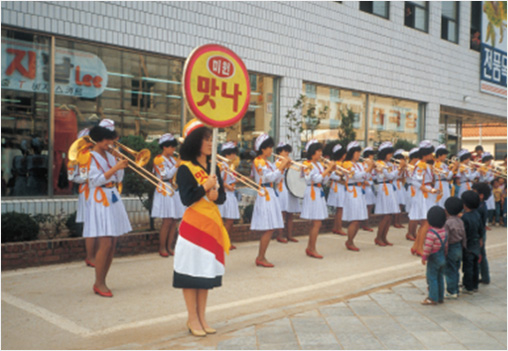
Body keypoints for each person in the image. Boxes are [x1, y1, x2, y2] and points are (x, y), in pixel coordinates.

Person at [173, 119, 229, 337]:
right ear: (195, 142)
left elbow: (221, 196)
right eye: (206, 139)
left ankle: (203, 317)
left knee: (205, 273)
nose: (210, 143)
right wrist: (204, 187)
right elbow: (186, 198)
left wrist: (216, 195)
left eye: (211, 139)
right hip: (192, 229)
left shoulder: (214, 166)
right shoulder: (185, 168)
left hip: (211, 226)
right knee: (191, 272)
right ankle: (192, 318)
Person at [83, 119, 131, 297]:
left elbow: (118, 179)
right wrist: (115, 167)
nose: (109, 143)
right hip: (99, 199)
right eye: (106, 140)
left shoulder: (110, 154)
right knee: (105, 242)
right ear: (98, 140)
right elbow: (94, 181)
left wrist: (120, 166)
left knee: (113, 243)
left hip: (112, 196)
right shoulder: (90, 156)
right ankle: (99, 282)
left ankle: (103, 279)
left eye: (110, 139)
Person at [250, 134, 289, 267]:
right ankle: (260, 257)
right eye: (269, 148)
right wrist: (281, 166)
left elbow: (277, 179)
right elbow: (269, 177)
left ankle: (261, 256)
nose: (271, 150)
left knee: (270, 227)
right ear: (262, 149)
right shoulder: (258, 161)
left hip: (271, 194)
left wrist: (282, 168)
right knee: (268, 228)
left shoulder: (268, 162)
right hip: (265, 194)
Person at [300, 140, 335, 258]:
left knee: (316, 223)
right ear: (312, 152)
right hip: (312, 192)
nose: (321, 153)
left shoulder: (319, 164)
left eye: (321, 151)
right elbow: (315, 179)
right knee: (316, 222)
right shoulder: (307, 164)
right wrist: (327, 170)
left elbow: (324, 181)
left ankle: (310, 247)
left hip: (318, 192)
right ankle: (312, 248)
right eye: (318, 151)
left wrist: (329, 171)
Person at [68, 128, 96, 267]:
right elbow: (73, 177)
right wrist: (88, 179)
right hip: (87, 193)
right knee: (90, 225)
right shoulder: (77, 157)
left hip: (98, 191)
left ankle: (97, 255)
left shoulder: (96, 154)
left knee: (98, 223)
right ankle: (90, 256)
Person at [152, 133, 184, 257]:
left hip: (173, 189)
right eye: (171, 147)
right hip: (164, 188)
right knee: (167, 221)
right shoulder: (159, 159)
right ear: (164, 147)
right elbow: (166, 175)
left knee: (174, 220)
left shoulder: (172, 159)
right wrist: (177, 165)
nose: (174, 149)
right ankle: (162, 247)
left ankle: (170, 246)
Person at [342, 141, 374, 251]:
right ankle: (349, 241)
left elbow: (366, 176)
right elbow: (356, 176)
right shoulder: (347, 164)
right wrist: (368, 168)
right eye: (356, 152)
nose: (358, 155)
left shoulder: (360, 164)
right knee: (355, 218)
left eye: (359, 152)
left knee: (359, 218)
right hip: (352, 191)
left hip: (360, 191)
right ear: (351, 153)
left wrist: (371, 168)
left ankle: (351, 240)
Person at [410, 141, 439, 256]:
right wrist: (427, 189)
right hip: (423, 195)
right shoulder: (421, 165)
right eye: (431, 153)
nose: (432, 155)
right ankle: (420, 248)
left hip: (425, 193)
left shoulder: (425, 165)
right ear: (426, 154)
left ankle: (416, 246)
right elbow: (415, 181)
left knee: (424, 223)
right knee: (426, 222)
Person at [373, 142, 400, 246]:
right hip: (384, 188)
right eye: (389, 154)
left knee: (390, 215)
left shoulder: (389, 164)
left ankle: (384, 237)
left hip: (390, 187)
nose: (391, 156)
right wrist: (399, 168)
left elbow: (395, 177)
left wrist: (400, 170)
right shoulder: (380, 163)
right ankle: (379, 237)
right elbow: (389, 176)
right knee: (386, 215)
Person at [274, 142, 301, 243]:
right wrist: (285, 164)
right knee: (282, 213)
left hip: (291, 188)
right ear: (279, 152)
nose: (287, 153)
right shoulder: (276, 163)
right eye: (285, 151)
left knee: (290, 213)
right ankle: (280, 235)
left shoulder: (289, 162)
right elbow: (276, 176)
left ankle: (290, 235)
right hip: (282, 188)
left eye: (288, 152)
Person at [421, 206, 448, 305]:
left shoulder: (431, 233)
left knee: (432, 278)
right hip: (442, 257)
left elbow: (428, 247)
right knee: (440, 277)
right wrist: (445, 254)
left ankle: (432, 297)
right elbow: (446, 245)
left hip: (434, 258)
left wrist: (424, 257)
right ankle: (440, 296)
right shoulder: (443, 231)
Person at [218, 141, 240, 250]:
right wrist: (227, 186)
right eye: (232, 153)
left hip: (231, 194)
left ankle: (228, 241)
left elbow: (229, 180)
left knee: (230, 221)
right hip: (226, 194)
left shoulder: (230, 165)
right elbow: (219, 180)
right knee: (228, 220)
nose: (234, 156)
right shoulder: (222, 165)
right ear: (226, 154)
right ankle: (223, 242)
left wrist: (238, 181)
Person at [460, 190, 482, 294]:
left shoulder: (465, 217)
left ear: (465, 204)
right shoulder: (477, 214)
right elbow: (480, 228)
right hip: (476, 243)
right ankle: (475, 284)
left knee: (467, 267)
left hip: (468, 245)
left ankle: (468, 286)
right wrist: (480, 238)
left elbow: (464, 232)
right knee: (475, 265)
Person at [443, 197, 466, 299]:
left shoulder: (447, 223)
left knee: (450, 270)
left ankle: (451, 291)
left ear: (446, 210)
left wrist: (445, 250)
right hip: (459, 247)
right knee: (456, 269)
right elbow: (464, 236)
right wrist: (464, 246)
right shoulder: (460, 221)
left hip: (451, 247)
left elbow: (446, 238)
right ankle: (456, 288)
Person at [472, 182, 490, 285]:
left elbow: (480, 224)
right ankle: (484, 277)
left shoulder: (479, 207)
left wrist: (480, 238)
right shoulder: (482, 205)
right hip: (480, 233)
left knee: (479, 255)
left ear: (481, 195)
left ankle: (480, 277)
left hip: (479, 234)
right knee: (482, 255)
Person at [327, 143, 347, 236]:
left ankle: (336, 227)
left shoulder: (342, 164)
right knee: (340, 208)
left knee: (340, 208)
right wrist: (340, 179)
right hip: (337, 186)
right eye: (344, 154)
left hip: (341, 186)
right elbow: (331, 175)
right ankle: (338, 227)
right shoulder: (334, 164)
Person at [404, 147, 420, 241]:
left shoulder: (416, 167)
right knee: (412, 212)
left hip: (416, 189)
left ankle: (413, 232)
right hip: (411, 189)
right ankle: (410, 232)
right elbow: (411, 177)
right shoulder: (409, 167)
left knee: (416, 211)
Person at [478, 152, 495, 228]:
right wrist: (487, 175)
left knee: (488, 206)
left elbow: (491, 178)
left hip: (488, 186)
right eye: (489, 160)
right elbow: (484, 178)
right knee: (483, 204)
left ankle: (486, 222)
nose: (490, 162)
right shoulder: (482, 167)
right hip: (482, 187)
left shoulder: (490, 168)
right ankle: (483, 222)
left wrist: (493, 174)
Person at [361, 147, 376, 232]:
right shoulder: (363, 164)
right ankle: (365, 224)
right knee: (366, 206)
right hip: (364, 187)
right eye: (371, 155)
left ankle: (366, 223)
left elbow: (373, 176)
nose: (372, 157)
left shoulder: (371, 165)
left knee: (370, 206)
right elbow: (362, 175)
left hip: (369, 186)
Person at [392, 149, 406, 229]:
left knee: (401, 204)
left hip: (400, 185)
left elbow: (403, 177)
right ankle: (395, 222)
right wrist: (401, 168)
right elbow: (395, 176)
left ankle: (399, 221)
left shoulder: (402, 167)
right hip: (395, 184)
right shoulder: (394, 166)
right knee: (397, 203)